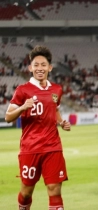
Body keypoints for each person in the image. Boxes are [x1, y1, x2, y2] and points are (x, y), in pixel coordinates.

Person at [5, 45, 71, 210]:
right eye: (36, 65)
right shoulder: (22, 90)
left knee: (54, 189)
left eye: (43, 65)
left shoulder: (57, 89)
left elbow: (54, 108)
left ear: (50, 67)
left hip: (53, 147)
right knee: (27, 191)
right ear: (30, 68)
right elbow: (8, 117)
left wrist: (61, 122)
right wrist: (22, 108)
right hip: (30, 148)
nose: (39, 68)